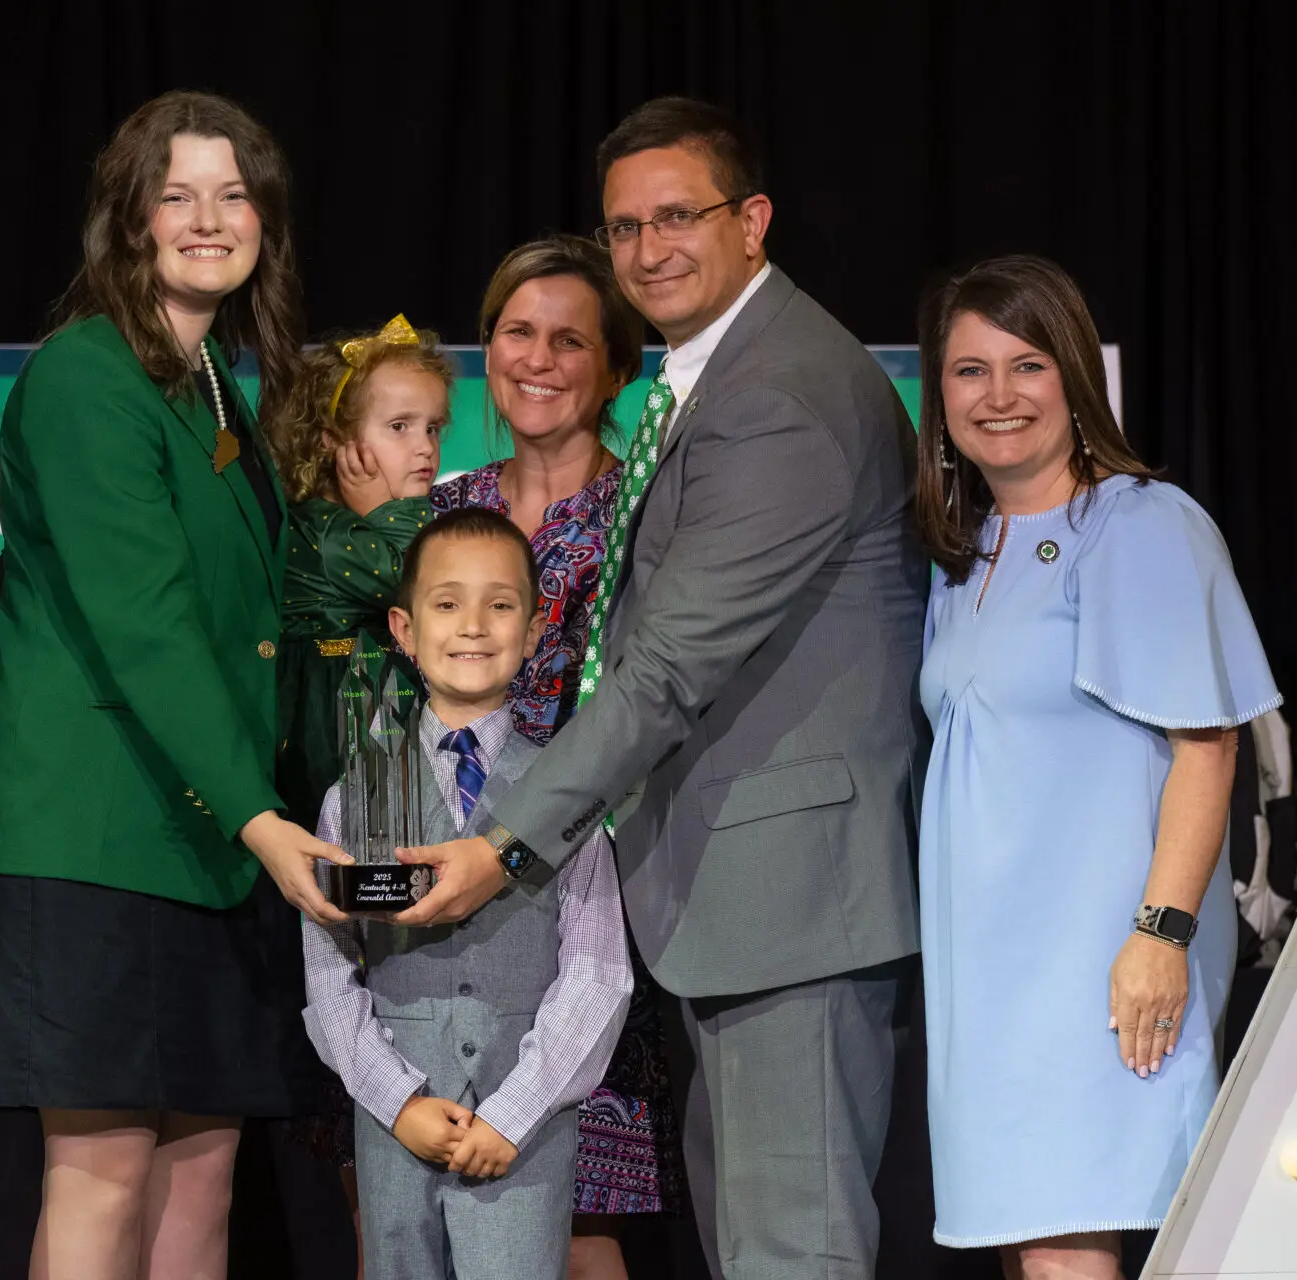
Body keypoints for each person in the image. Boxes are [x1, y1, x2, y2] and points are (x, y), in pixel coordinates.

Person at [396, 97, 928, 1278]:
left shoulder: (779, 391)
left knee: (792, 1252)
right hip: (740, 902)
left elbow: (670, 665)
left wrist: (500, 844)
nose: (647, 249)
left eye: (677, 216)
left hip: (792, 900)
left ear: (754, 220)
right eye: (625, 226)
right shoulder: (721, 373)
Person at [0, 91, 350, 1280]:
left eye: (233, 194)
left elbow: (260, 627)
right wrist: (261, 816)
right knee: (107, 1177)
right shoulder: (88, 372)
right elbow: (148, 625)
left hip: (216, 849)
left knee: (201, 1185)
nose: (207, 217)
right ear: (127, 219)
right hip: (98, 841)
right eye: (175, 193)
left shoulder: (221, 385)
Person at [913, 255, 1279, 1278]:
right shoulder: (963, 545)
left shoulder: (1141, 524)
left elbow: (1207, 748)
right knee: (1035, 1242)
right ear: (937, 397)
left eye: (1027, 364)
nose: (998, 396)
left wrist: (1161, 933)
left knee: (1067, 1243)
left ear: (1077, 375)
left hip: (1105, 958)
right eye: (969, 369)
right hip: (988, 970)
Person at [431, 234, 681, 1278]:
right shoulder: (441, 510)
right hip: (432, 925)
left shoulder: (650, 520)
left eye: (570, 339)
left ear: (618, 367)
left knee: (576, 1228)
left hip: (583, 915)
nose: (538, 358)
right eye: (516, 332)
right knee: (410, 1212)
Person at [302, 508, 633, 1280]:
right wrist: (398, 1100)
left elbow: (597, 971)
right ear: (404, 629)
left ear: (533, 625)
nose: (473, 626)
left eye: (501, 604)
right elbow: (327, 974)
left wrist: (515, 1113)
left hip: (525, 1132)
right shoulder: (353, 797)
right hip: (396, 1127)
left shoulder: (568, 791)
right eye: (447, 604)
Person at [271, 313, 450, 835]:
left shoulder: (361, 522)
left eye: (433, 428)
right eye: (400, 427)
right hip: (333, 721)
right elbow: (414, 584)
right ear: (332, 440)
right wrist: (390, 511)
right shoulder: (329, 532)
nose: (424, 447)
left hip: (370, 699)